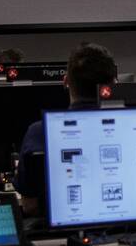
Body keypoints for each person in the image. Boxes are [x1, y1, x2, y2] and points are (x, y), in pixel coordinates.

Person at [13, 42, 117, 217]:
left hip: (63, 234)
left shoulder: (40, 132)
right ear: (114, 83)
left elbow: (30, 206)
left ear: (66, 81)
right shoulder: (131, 129)